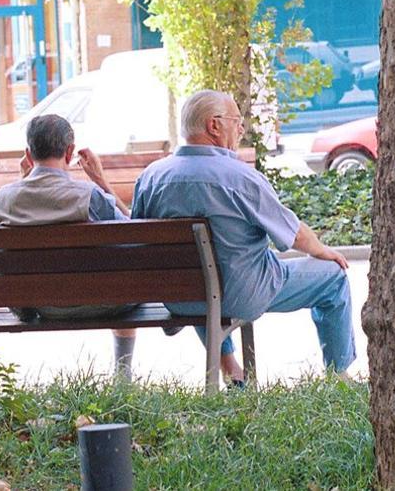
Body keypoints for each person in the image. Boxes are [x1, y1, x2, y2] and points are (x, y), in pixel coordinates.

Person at [132, 90, 355, 384]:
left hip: (181, 298)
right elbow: (294, 234)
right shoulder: (240, 177)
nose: (241, 129)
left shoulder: (152, 177)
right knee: (332, 277)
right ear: (214, 125)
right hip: (242, 295)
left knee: (204, 272)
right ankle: (338, 375)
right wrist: (320, 250)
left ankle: (231, 370)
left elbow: (137, 237)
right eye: (237, 121)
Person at [0, 114, 140, 381]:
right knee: (122, 275)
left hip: (39, 306)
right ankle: (122, 377)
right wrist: (101, 182)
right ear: (69, 152)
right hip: (106, 302)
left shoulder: (1, 200)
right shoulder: (91, 197)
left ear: (28, 154)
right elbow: (136, 235)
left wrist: (23, 182)